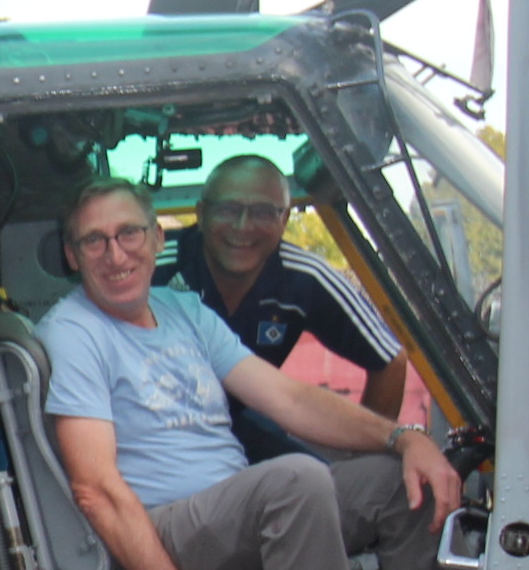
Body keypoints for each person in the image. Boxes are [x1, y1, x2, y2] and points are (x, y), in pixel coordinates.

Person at [39, 178, 472, 570]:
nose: (116, 255)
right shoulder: (74, 331)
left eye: (130, 233)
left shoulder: (184, 311)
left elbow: (288, 398)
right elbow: (97, 491)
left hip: (232, 516)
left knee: (400, 484)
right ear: (71, 255)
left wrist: (407, 439)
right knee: (293, 481)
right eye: (95, 241)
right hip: (161, 529)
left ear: (158, 238)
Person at [168, 152, 409, 462]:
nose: (243, 226)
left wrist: (363, 462)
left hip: (235, 423)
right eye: (228, 209)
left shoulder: (305, 278)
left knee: (315, 481)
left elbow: (390, 360)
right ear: (200, 214)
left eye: (263, 212)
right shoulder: (152, 266)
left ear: (284, 219)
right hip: (151, 432)